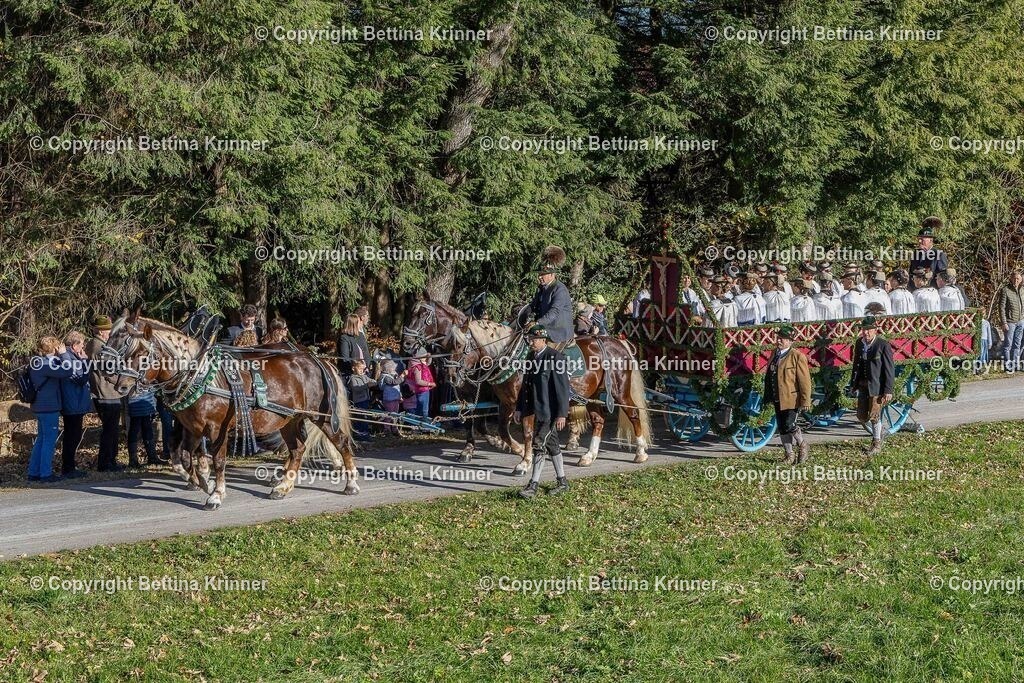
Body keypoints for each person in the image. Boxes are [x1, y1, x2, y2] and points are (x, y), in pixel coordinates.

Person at [515, 324, 570, 498]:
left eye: (534, 339)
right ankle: (563, 482)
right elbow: (525, 385)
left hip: (550, 412)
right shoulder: (531, 357)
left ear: (543, 340)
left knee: (538, 443)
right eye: (530, 339)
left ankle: (533, 485)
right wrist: (519, 408)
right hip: (537, 410)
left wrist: (562, 414)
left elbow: (562, 388)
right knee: (552, 445)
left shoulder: (555, 357)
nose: (531, 342)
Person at [27, 336, 81, 482]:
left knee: (41, 440)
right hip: (48, 407)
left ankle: (34, 472)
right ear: (55, 348)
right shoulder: (46, 365)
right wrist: (64, 354)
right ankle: (45, 473)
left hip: (40, 406)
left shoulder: (39, 362)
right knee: (49, 441)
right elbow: (68, 371)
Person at [764, 325, 812, 464]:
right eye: (778, 338)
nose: (779, 341)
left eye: (782, 339)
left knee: (789, 424)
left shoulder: (797, 356)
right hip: (777, 397)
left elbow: (804, 381)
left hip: (791, 398)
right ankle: (789, 455)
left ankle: (802, 444)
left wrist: (805, 400)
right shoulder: (775, 353)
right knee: (782, 427)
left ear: (790, 341)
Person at [848, 317, 895, 457]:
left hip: (877, 387)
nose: (866, 333)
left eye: (869, 330)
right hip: (863, 384)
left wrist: (888, 390)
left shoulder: (883, 345)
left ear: (875, 330)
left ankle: (876, 443)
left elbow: (889, 369)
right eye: (864, 329)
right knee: (861, 416)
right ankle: (880, 432)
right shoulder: (859, 343)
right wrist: (853, 384)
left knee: (874, 416)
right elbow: (856, 365)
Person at [85, 315, 124, 472]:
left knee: (112, 429)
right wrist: (123, 381)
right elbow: (108, 371)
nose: (110, 333)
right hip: (106, 393)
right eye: (108, 330)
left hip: (107, 393)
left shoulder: (96, 344)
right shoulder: (99, 347)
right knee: (110, 430)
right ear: (101, 331)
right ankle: (105, 463)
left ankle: (111, 460)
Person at [519, 245, 575, 345]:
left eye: (542, 274)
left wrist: (537, 323)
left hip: (558, 332)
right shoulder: (541, 288)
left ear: (552, 274)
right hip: (545, 327)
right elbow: (533, 306)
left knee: (539, 347)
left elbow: (554, 312)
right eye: (539, 274)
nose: (539, 277)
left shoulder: (560, 289)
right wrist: (522, 315)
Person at [58, 331, 92, 478]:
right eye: (81, 344)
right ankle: (68, 468)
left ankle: (70, 466)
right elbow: (80, 379)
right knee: (72, 436)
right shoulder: (68, 359)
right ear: (74, 345)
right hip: (72, 403)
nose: (83, 347)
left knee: (74, 435)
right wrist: (86, 361)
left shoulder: (71, 357)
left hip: (75, 402)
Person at [909, 216, 949, 288]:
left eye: (922, 239)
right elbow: (911, 274)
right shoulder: (915, 253)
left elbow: (943, 277)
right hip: (915, 291)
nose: (919, 241)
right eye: (919, 239)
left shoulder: (939, 254)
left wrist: (929, 274)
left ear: (930, 240)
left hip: (932, 291)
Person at [996, 270, 1024, 372]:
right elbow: (1001, 307)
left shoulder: (1022, 290)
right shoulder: (1006, 290)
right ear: (1011, 279)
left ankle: (1015, 364)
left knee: (1017, 344)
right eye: (1014, 278)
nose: (1016, 280)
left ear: (1021, 279)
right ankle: (1007, 366)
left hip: (1021, 321)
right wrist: (1004, 322)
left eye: (1018, 279)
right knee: (1008, 345)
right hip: (1010, 322)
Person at [127, 386, 160, 467]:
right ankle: (133, 460)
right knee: (135, 430)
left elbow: (152, 387)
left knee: (147, 429)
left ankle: (152, 457)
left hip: (146, 402)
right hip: (135, 401)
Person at [348, 359, 377, 440]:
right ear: (353, 368)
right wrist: (367, 385)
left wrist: (373, 382)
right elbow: (356, 388)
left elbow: (373, 381)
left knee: (365, 417)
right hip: (359, 401)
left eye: (363, 369)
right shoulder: (353, 378)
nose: (362, 371)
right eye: (360, 368)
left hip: (366, 399)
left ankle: (365, 432)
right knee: (361, 417)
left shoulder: (364, 377)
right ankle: (360, 433)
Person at [376, 359, 406, 434]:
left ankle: (394, 428)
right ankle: (387, 429)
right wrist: (402, 376)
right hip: (389, 399)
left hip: (395, 398)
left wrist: (400, 396)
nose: (393, 369)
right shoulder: (385, 377)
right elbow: (394, 382)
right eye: (392, 367)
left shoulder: (392, 375)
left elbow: (397, 387)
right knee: (389, 415)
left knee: (395, 415)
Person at [337, 313, 370, 377]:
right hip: (350, 374)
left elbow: (366, 354)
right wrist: (356, 369)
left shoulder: (361, 335)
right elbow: (345, 359)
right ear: (354, 324)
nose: (360, 323)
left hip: (365, 372)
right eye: (358, 322)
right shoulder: (344, 338)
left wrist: (366, 367)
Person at [407, 347, 436, 419]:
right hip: (422, 391)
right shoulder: (417, 367)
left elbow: (428, 363)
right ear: (420, 358)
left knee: (421, 409)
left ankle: (420, 421)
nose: (426, 358)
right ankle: (422, 422)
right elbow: (418, 381)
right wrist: (430, 384)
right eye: (424, 357)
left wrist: (429, 356)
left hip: (423, 390)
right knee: (423, 410)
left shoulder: (420, 364)